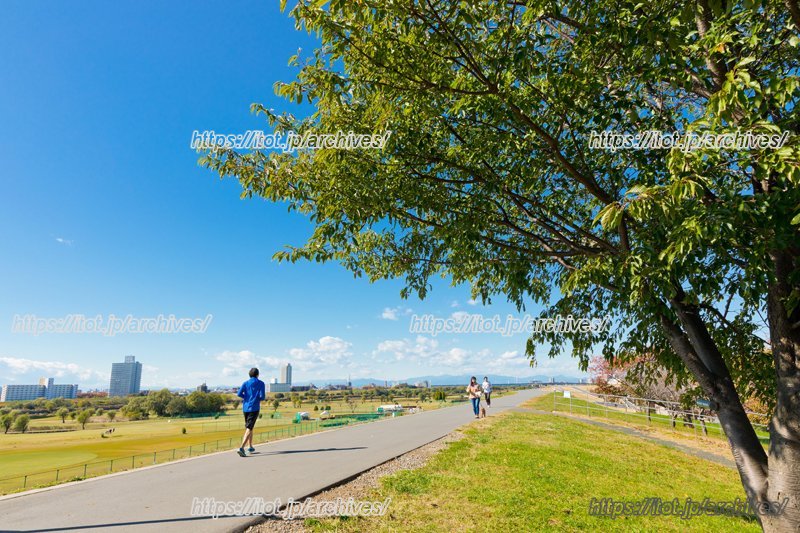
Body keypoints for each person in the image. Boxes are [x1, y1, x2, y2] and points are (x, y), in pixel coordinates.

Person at [236, 367, 265, 457]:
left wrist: (247, 398)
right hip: (254, 407)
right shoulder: (261, 383)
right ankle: (241, 448)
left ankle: (250, 446)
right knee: (249, 427)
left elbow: (239, 394)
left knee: (249, 426)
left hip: (245, 408)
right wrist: (257, 398)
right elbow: (262, 396)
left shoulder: (245, 383)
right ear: (258, 374)